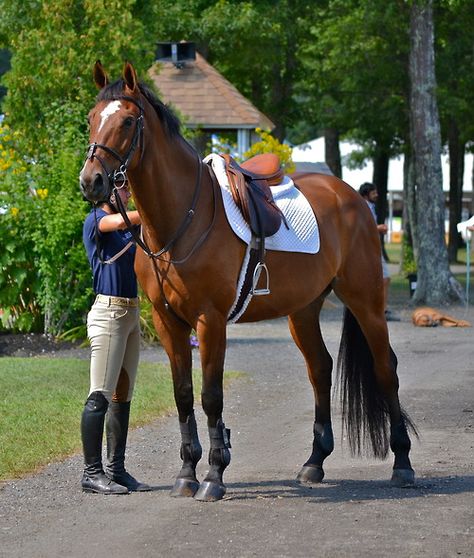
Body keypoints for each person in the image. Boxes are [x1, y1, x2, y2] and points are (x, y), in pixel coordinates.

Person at [81, 186, 150, 494]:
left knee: (123, 395)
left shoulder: (128, 225)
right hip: (108, 314)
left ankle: (116, 469)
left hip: (131, 313)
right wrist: (149, 211)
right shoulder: (96, 218)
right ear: (108, 193)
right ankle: (91, 473)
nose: (128, 194)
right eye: (122, 189)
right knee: (100, 395)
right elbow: (117, 223)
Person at [359, 182, 399, 321]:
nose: (376, 195)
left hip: (371, 247)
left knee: (380, 279)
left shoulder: (370, 207)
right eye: (373, 192)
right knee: (385, 278)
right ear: (366, 194)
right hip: (369, 248)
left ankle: (377, 309)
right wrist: (379, 229)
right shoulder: (364, 207)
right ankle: (382, 310)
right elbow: (362, 228)